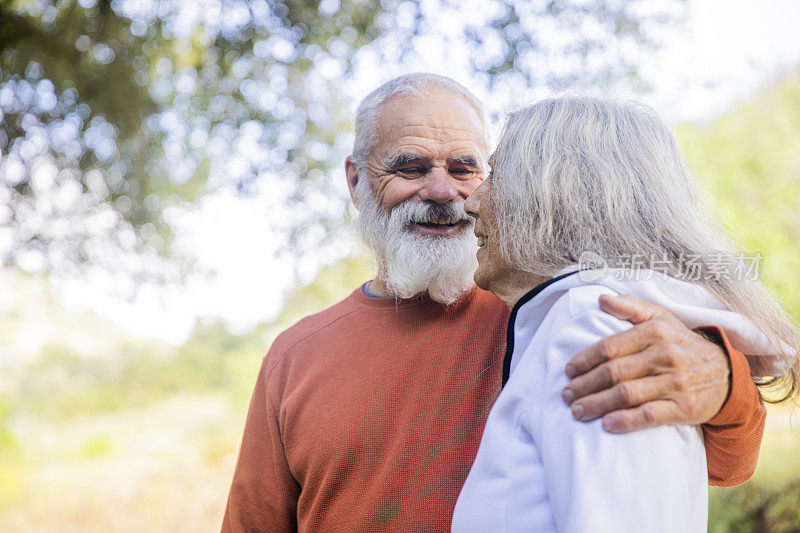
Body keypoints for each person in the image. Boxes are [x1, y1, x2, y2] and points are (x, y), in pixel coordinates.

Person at [221, 75, 767, 532]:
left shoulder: (564, 316)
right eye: (411, 169)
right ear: (356, 179)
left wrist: (722, 382)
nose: (444, 193)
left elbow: (728, 463)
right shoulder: (296, 355)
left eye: (464, 169)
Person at [452, 96, 799, 532]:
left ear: (553, 195)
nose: (468, 202)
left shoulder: (590, 327)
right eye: (410, 168)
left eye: (493, 175)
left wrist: (727, 382)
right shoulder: (580, 318)